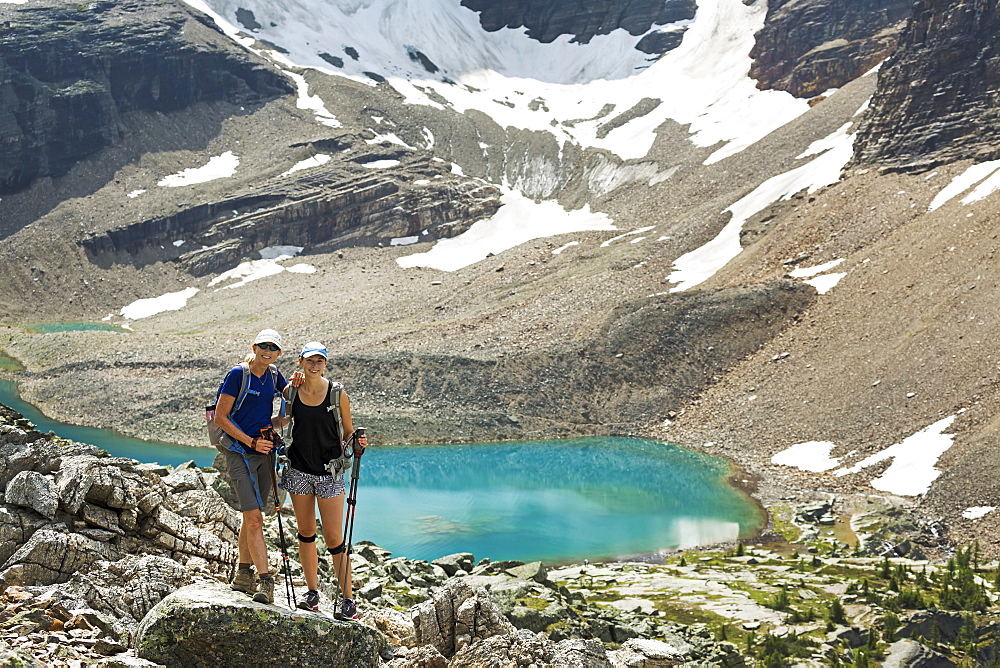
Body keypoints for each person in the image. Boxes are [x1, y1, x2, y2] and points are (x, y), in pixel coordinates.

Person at [277, 341, 367, 618]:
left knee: (334, 539)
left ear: (325, 363)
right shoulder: (290, 390)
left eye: (320, 361)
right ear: (300, 361)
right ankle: (312, 593)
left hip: (329, 473)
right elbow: (281, 419)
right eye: (310, 361)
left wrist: (358, 442)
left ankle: (348, 600)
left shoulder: (337, 393)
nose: (315, 366)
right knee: (305, 534)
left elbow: (348, 433)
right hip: (298, 471)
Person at [214, 329, 288, 605]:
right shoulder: (238, 374)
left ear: (278, 353)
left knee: (252, 516)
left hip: (265, 452)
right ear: (254, 347)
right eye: (263, 346)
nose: (267, 351)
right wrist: (250, 442)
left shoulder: (273, 374)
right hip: (239, 452)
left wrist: (300, 381)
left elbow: (291, 395)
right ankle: (265, 580)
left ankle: (243, 574)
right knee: (255, 518)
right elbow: (221, 417)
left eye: (273, 347)